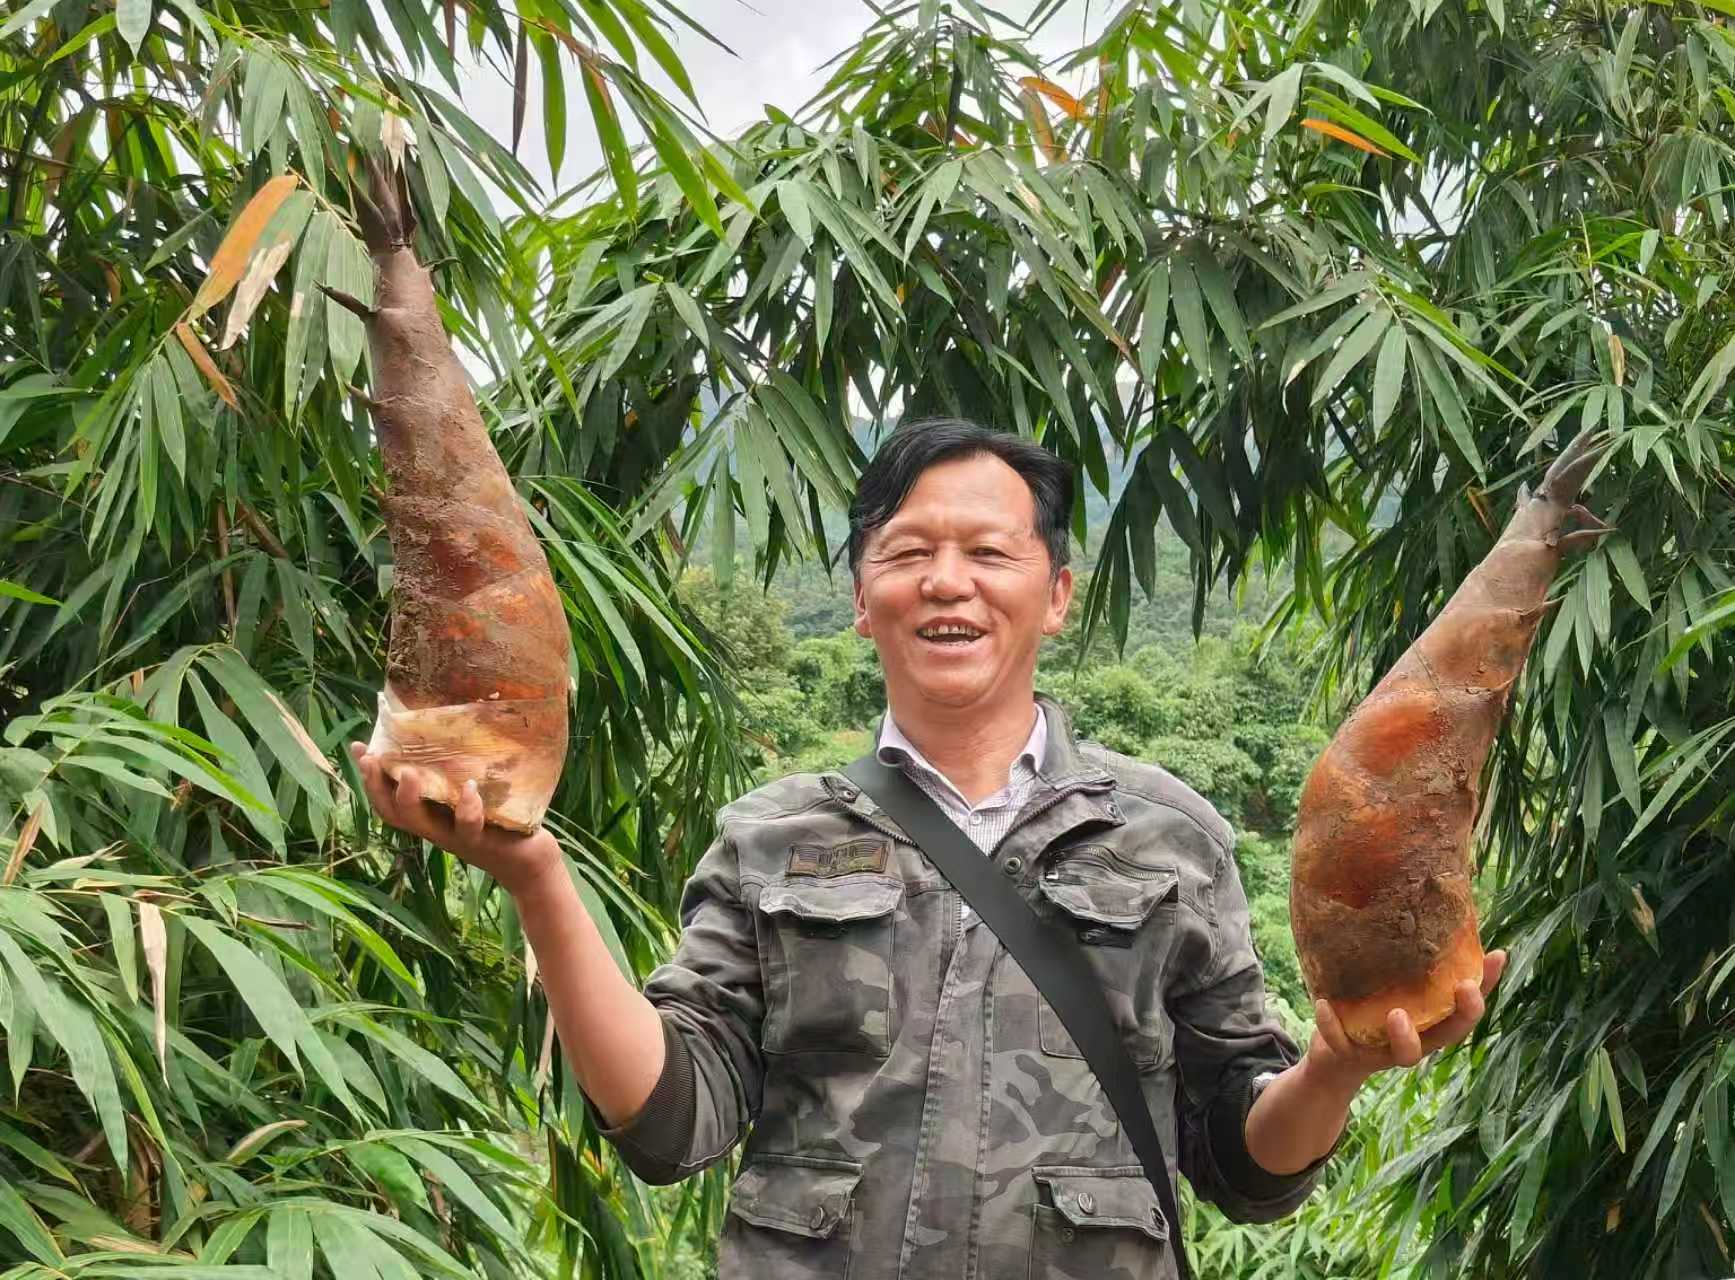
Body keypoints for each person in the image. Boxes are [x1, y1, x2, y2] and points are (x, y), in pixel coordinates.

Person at [351, 419, 1506, 1278]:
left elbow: (1243, 1164)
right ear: (861, 597)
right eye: (908, 552)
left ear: (1056, 593)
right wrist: (536, 873)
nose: (947, 581)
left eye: (989, 553)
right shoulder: (771, 835)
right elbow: (672, 1120)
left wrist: (1336, 1067)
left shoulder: (1170, 833)